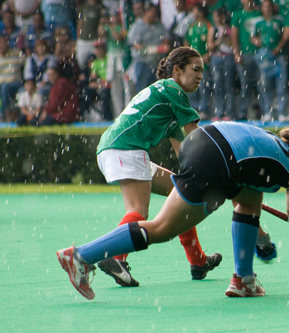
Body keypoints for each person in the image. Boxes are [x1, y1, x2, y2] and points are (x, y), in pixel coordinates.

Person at [57, 121, 289, 300]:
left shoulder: (269, 139)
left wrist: (260, 236)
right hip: (218, 162)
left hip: (201, 142)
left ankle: (244, 279)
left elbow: (244, 189)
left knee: (250, 197)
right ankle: (80, 256)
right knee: (161, 229)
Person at [75, 47, 223, 289]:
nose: (200, 76)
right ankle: (114, 255)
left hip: (118, 148)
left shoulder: (167, 98)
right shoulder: (173, 89)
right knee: (139, 211)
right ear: (177, 70)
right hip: (125, 148)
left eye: (202, 72)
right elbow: (197, 138)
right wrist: (222, 170)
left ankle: (198, 261)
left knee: (182, 190)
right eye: (195, 70)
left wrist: (199, 178)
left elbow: (188, 153)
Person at [252, 0, 288, 122]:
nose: (266, 9)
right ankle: (268, 112)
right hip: (265, 57)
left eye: (268, 6)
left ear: (272, 7)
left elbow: (285, 35)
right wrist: (257, 41)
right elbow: (253, 37)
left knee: (281, 84)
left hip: (278, 55)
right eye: (264, 7)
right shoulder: (258, 22)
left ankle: (281, 112)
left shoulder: (279, 20)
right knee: (266, 85)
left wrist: (279, 47)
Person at [231, 0, 263, 120]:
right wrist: (236, 53)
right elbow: (234, 35)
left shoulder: (258, 13)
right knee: (245, 85)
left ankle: (262, 110)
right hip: (245, 54)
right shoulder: (238, 14)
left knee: (261, 84)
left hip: (259, 54)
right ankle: (243, 112)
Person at [127, 4, 170, 94]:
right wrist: (153, 50)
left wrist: (162, 48)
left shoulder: (159, 25)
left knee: (158, 91)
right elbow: (136, 46)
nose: (155, 15)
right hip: (143, 62)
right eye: (153, 12)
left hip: (157, 63)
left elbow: (166, 42)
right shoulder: (137, 26)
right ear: (146, 12)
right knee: (143, 91)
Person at [208, 7, 236, 121]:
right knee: (217, 85)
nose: (215, 19)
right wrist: (218, 41)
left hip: (228, 57)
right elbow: (210, 46)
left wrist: (225, 37)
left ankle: (229, 111)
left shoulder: (229, 29)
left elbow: (233, 45)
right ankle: (218, 111)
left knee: (229, 85)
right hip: (216, 57)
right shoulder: (213, 29)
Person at [79, 40, 114, 121]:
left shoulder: (108, 59)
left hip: (109, 84)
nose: (98, 51)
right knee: (86, 92)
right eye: (97, 49)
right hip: (101, 84)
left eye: (100, 49)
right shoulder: (95, 63)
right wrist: (94, 83)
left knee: (105, 94)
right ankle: (82, 115)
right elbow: (93, 77)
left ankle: (107, 118)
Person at [0, 35, 25, 122]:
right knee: (4, 87)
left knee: (5, 87)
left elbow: (27, 61)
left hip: (16, 83)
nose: (3, 45)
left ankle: (3, 115)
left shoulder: (16, 53)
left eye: (4, 42)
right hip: (1, 83)